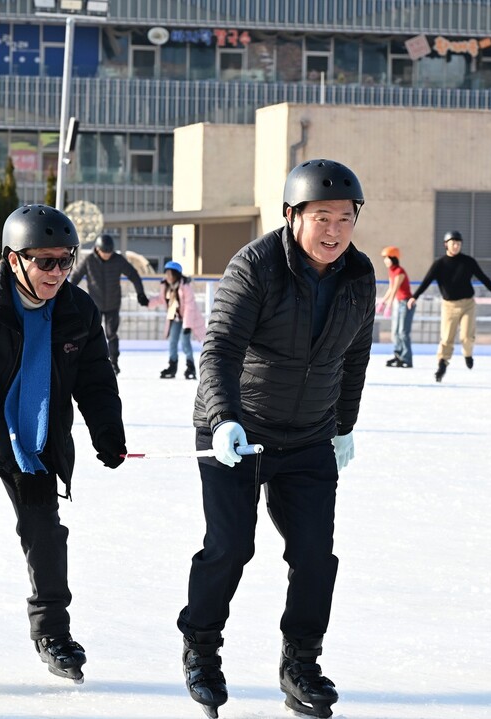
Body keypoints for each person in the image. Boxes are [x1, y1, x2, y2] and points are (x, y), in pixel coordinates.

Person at [177, 159, 375, 719]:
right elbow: (218, 351)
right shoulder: (256, 266)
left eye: (345, 218)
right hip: (238, 430)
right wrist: (223, 420)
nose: (334, 230)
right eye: (321, 218)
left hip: (311, 434)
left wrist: (344, 427)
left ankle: (301, 663)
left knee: (315, 556)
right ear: (292, 216)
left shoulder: (359, 276)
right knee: (231, 546)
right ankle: (201, 647)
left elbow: (353, 360)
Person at [0, 205, 128, 686]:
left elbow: (96, 380)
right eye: (45, 261)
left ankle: (53, 633)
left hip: (32, 431)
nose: (57, 272)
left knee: (44, 529)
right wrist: (4, 454)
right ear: (15, 260)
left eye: (65, 260)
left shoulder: (77, 309)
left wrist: (108, 434)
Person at [407, 230, 491, 382]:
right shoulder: (439, 264)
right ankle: (442, 363)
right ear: (446, 244)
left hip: (468, 304)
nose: (456, 246)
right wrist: (415, 296)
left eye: (458, 243)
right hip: (449, 306)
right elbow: (426, 281)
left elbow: (483, 278)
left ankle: (467, 354)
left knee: (467, 336)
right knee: (446, 337)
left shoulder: (468, 261)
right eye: (453, 243)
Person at [68, 233, 149, 375]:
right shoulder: (88, 260)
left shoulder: (118, 260)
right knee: (91, 335)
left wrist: (140, 293)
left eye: (110, 252)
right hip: (95, 305)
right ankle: (90, 362)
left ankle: (114, 363)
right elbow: (75, 276)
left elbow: (133, 274)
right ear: (97, 249)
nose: (107, 255)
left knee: (112, 335)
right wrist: (66, 295)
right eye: (105, 252)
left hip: (113, 304)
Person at [148, 260, 206, 379]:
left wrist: (187, 326)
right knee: (172, 341)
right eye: (167, 273)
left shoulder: (185, 286)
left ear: (176, 275)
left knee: (185, 343)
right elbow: (161, 299)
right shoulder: (166, 286)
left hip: (187, 319)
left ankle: (190, 367)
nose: (168, 276)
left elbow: (190, 308)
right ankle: (172, 367)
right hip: (174, 318)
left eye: (170, 274)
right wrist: (147, 302)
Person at [377, 245, 414, 368]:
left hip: (406, 303)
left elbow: (395, 289)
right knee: (396, 333)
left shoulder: (399, 271)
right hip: (399, 303)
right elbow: (390, 288)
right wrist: (383, 302)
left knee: (403, 332)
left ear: (393, 258)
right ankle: (398, 356)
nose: (385, 261)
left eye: (387, 258)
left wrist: (389, 306)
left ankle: (407, 359)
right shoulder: (391, 271)